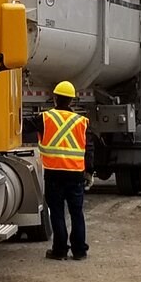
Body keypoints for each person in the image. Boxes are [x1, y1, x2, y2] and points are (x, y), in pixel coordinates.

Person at [26, 81, 94, 261]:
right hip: (75, 174)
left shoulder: (45, 118)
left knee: (57, 213)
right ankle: (79, 251)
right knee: (76, 213)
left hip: (54, 173)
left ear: (55, 98)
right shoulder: (82, 121)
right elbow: (89, 148)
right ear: (72, 100)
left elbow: (23, 126)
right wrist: (90, 172)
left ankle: (60, 250)